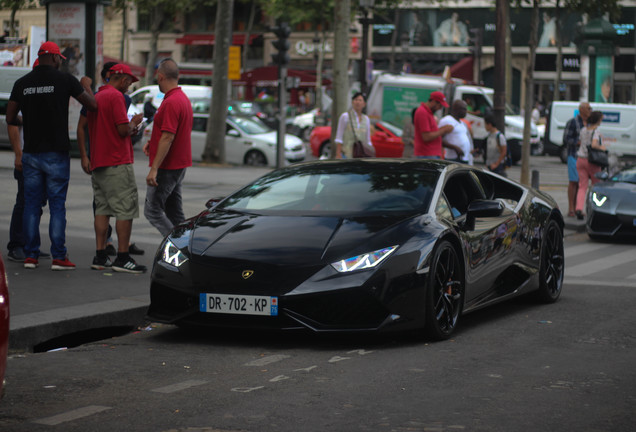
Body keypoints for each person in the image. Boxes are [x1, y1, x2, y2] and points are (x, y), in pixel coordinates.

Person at [6, 41, 97, 270]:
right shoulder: (65, 80)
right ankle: (58, 256)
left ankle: (30, 255)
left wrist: (23, 120)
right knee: (57, 205)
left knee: (31, 205)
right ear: (56, 58)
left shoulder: (22, 83)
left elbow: (9, 117)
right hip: (56, 153)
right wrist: (86, 85)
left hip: (31, 154)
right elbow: (92, 105)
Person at [77, 62, 145, 257]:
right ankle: (123, 257)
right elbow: (123, 130)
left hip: (98, 162)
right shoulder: (116, 97)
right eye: (129, 82)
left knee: (102, 210)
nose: (129, 87)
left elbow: (87, 127)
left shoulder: (96, 97)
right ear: (123, 80)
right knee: (125, 210)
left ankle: (100, 255)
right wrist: (134, 123)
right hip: (117, 162)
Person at [143, 58, 193, 237]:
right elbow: (170, 134)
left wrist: (154, 169)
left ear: (161, 76)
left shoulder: (171, 102)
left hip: (167, 167)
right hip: (177, 164)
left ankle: (177, 247)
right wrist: (153, 143)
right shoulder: (182, 99)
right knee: (174, 213)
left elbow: (168, 136)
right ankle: (188, 246)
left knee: (152, 211)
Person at [575, 111, 607, 220]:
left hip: (580, 159)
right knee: (596, 185)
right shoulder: (596, 132)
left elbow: (580, 142)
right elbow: (594, 144)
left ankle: (579, 208)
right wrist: (602, 148)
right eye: (601, 119)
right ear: (598, 120)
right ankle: (595, 208)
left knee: (582, 186)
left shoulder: (583, 130)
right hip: (592, 161)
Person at [562, 102, 591, 217]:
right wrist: (578, 142)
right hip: (574, 155)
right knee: (573, 182)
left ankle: (578, 207)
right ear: (582, 110)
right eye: (589, 108)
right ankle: (571, 208)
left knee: (581, 184)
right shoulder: (573, 122)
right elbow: (566, 139)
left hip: (585, 157)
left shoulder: (589, 123)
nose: (590, 110)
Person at [413, 91, 453, 159]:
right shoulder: (423, 112)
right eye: (440, 105)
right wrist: (444, 130)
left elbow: (431, 132)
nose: (440, 108)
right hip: (427, 154)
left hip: (430, 153)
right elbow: (426, 137)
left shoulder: (428, 112)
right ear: (434, 101)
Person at [334, 92, 374, 159]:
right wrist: (338, 154)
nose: (357, 102)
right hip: (346, 155)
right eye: (356, 100)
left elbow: (368, 140)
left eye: (360, 100)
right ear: (352, 102)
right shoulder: (345, 116)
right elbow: (339, 137)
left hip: (360, 156)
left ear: (364, 104)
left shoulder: (366, 119)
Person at [440, 99, 473, 164]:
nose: (466, 111)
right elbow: (439, 140)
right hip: (453, 159)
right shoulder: (447, 120)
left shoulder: (462, 123)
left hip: (464, 158)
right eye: (464, 109)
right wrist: (455, 148)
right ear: (457, 109)